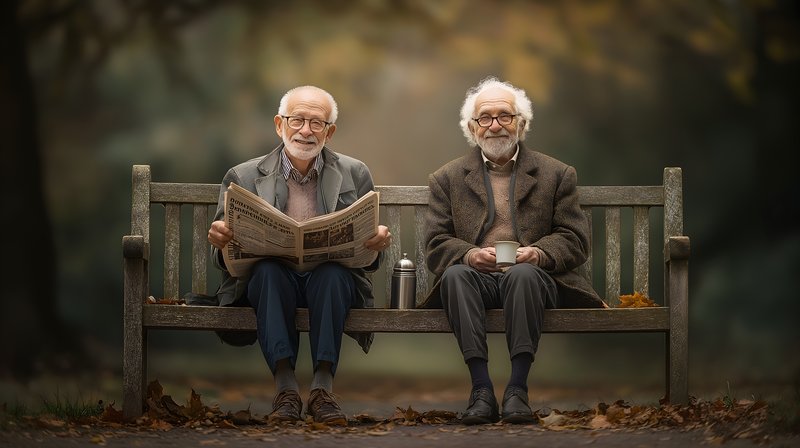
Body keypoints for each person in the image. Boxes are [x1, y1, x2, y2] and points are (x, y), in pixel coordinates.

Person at [421, 76, 607, 425]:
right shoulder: (447, 178)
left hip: (537, 279)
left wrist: (537, 253)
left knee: (523, 274)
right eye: (485, 118)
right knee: (456, 275)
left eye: (504, 116)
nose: (495, 126)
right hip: (478, 279)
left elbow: (575, 238)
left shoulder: (556, 174)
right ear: (472, 128)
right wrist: (469, 254)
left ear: (521, 124)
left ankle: (518, 389)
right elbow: (435, 243)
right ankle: (481, 391)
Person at [207, 85, 391, 426]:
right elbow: (225, 257)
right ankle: (286, 390)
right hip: (272, 280)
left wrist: (375, 242)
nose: (306, 130)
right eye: (297, 120)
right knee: (267, 273)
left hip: (330, 278)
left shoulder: (355, 173)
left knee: (333, 275)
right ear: (280, 125)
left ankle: (322, 389)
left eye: (317, 123)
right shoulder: (243, 176)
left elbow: (368, 257)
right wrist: (220, 238)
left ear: (329, 132)